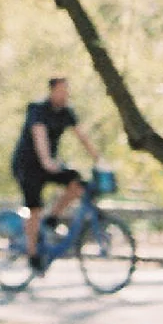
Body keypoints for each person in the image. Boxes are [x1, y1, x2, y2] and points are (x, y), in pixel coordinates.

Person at [12, 74, 99, 264]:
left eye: (66, 91)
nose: (65, 94)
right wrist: (46, 160)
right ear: (52, 91)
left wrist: (98, 159)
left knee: (76, 183)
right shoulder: (37, 109)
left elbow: (82, 136)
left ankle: (52, 218)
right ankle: (32, 254)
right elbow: (39, 134)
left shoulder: (67, 112)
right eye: (61, 90)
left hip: (49, 164)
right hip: (28, 165)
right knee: (34, 208)